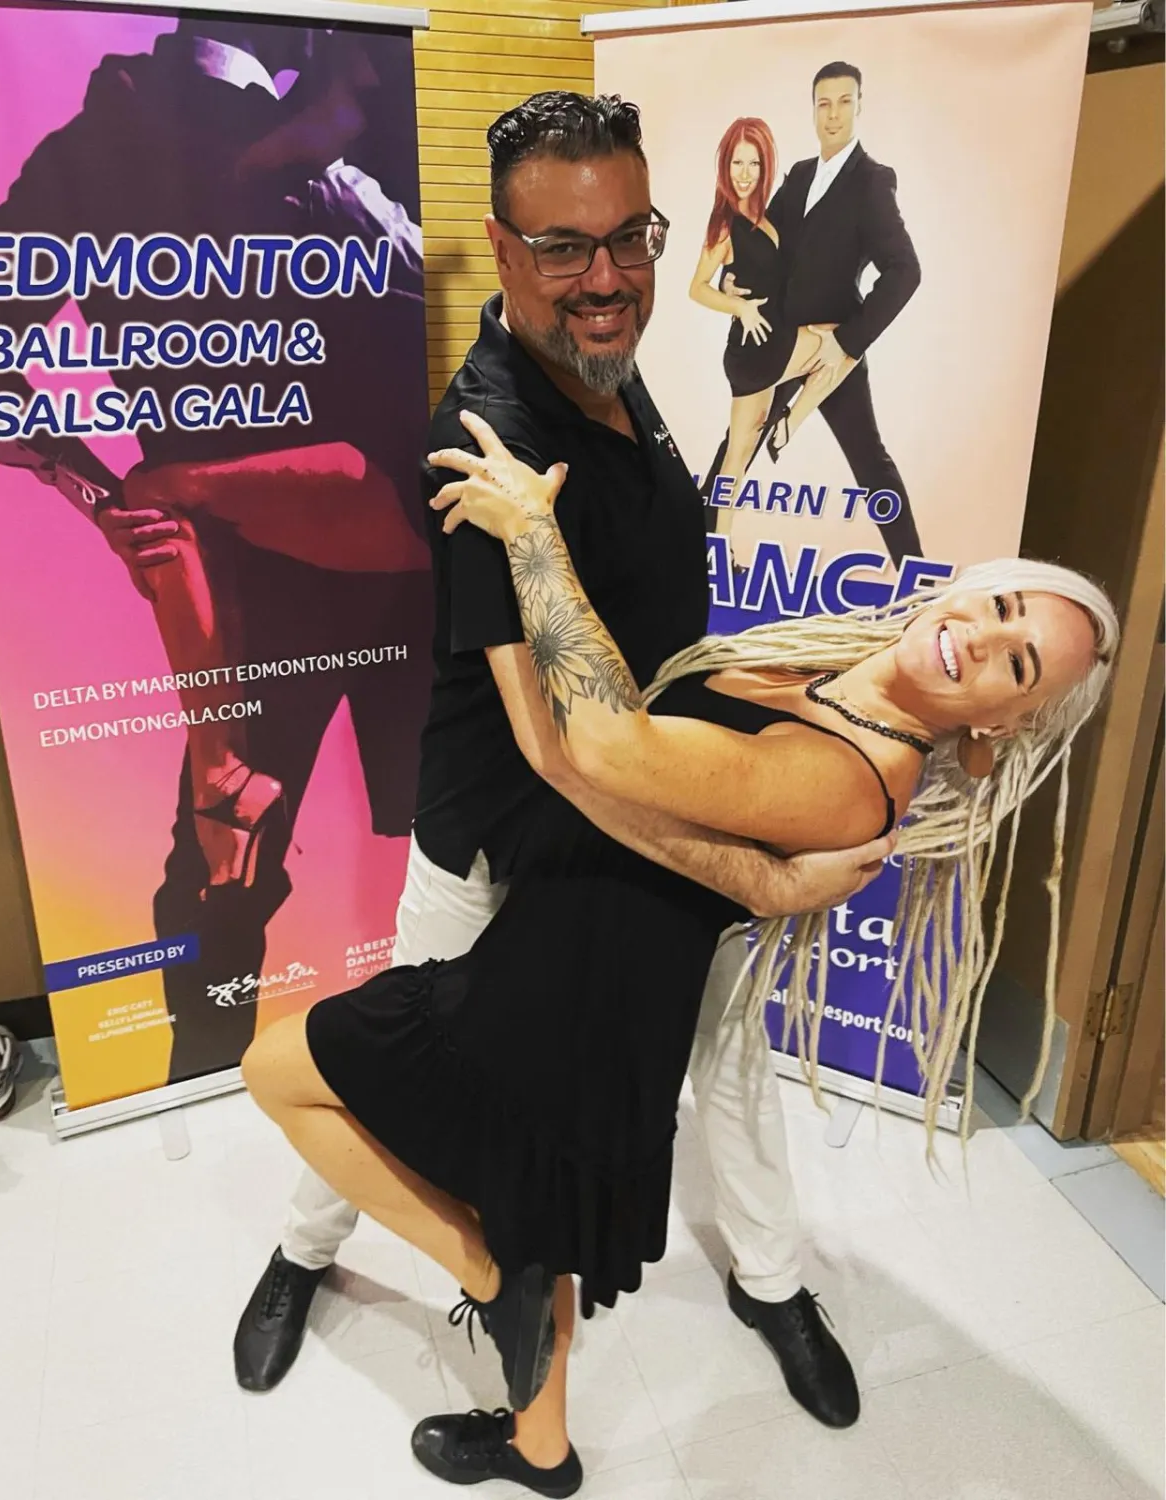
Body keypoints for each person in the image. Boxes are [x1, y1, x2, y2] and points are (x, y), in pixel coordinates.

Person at [243, 409, 1117, 1497]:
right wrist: (762, 880)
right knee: (538, 1202)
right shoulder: (842, 673)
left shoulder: (856, 775)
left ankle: (475, 1273)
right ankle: (541, 1451)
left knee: (276, 1073)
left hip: (572, 982)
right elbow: (603, 770)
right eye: (995, 605)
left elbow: (598, 751)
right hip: (591, 966)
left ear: (1005, 726)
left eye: (1017, 661)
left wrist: (526, 547)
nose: (982, 638)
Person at [233, 92, 884, 1430]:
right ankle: (308, 1251)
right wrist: (749, 876)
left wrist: (801, 694)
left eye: (628, 237)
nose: (607, 277)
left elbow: (644, 644)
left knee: (729, 1057)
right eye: (562, 248)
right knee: (390, 1071)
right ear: (503, 244)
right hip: (502, 840)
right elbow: (551, 740)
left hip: (647, 806)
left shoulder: (611, 356)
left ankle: (767, 1280)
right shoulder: (487, 442)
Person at [0, 21, 433, 1082]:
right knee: (224, 889)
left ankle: (430, 1059)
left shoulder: (369, 96)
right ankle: (213, 1090)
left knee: (441, 848)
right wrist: (103, 488)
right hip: (253, 594)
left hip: (415, 565)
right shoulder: (115, 138)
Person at [707, 61, 923, 568]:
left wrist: (849, 340)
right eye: (824, 103)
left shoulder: (872, 182)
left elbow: (905, 271)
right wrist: (729, 282)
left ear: (860, 105)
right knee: (736, 449)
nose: (833, 114)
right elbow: (761, 243)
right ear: (813, 109)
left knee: (870, 464)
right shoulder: (801, 175)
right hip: (779, 339)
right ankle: (705, 550)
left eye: (845, 101)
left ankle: (917, 581)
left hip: (830, 348)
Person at [690, 117, 857, 547]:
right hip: (756, 349)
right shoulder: (725, 224)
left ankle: (718, 549)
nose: (744, 174)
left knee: (738, 454)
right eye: (736, 163)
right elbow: (696, 288)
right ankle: (791, 423)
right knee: (846, 344)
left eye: (754, 164)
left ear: (766, 168)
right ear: (724, 167)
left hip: (772, 342)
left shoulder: (769, 217)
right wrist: (737, 305)